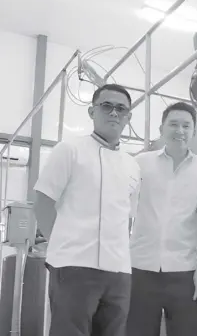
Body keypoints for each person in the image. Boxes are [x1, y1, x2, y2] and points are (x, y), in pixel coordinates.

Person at [33, 83, 141, 336]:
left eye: (121, 109)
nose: (114, 113)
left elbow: (127, 218)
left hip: (118, 272)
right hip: (74, 266)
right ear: (92, 112)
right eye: (107, 106)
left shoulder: (132, 165)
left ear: (128, 117)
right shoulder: (70, 150)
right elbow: (43, 202)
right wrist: (59, 246)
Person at [127, 102, 197, 336]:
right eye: (173, 124)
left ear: (194, 131)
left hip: (186, 271)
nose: (180, 130)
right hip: (140, 268)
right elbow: (121, 207)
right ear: (161, 129)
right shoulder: (140, 163)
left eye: (186, 125)